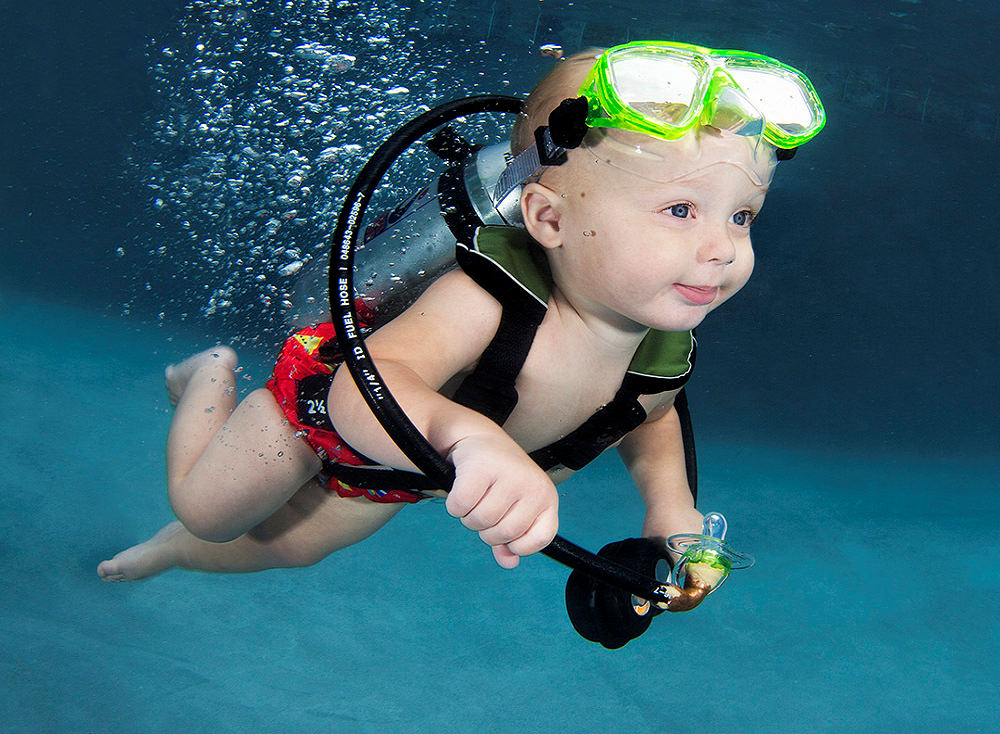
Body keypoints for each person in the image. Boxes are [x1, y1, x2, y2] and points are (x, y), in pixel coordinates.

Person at [98, 42, 824, 593]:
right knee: (210, 512)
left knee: (285, 548)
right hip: (315, 414)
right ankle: (207, 375)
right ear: (547, 217)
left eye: (742, 217)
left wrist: (669, 510)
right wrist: (472, 439)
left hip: (408, 474)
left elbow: (652, 415)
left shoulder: (661, 346)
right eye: (679, 211)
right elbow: (367, 388)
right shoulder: (490, 298)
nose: (720, 249)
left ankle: (166, 552)